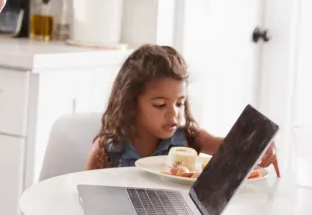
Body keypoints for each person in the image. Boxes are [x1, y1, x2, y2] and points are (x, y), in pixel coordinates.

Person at [85, 44, 281, 177]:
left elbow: (232, 147)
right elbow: (86, 198)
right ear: (131, 103)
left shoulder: (189, 138)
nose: (174, 114)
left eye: (179, 103)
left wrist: (260, 145)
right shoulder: (107, 149)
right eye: (160, 105)